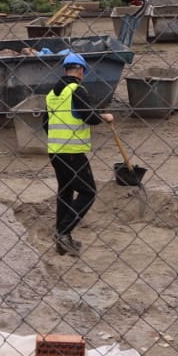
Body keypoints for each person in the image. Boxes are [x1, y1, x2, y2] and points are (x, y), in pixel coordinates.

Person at [45, 51, 112, 256]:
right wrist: (104, 116)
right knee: (88, 192)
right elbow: (88, 117)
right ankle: (63, 233)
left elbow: (46, 125)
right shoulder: (76, 90)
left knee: (65, 192)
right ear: (81, 71)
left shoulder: (52, 95)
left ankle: (63, 239)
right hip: (72, 152)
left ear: (65, 70)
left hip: (55, 152)